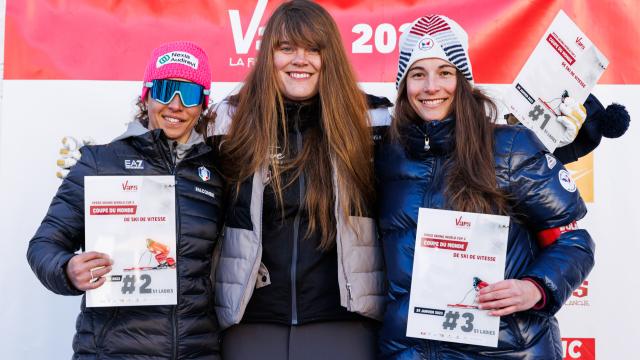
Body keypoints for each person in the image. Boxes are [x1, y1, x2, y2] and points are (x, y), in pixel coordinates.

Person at [375, 15, 595, 359]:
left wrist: (534, 288)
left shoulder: (510, 147)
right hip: (410, 351)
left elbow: (573, 242)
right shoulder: (386, 157)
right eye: (418, 74)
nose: (431, 86)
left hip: (506, 350)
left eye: (445, 72)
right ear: (404, 86)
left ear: (463, 81)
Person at [27, 41, 225, 359]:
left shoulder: (216, 172)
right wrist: (67, 270)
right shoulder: (99, 162)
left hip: (196, 350)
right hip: (112, 351)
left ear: (202, 105)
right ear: (146, 95)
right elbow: (43, 246)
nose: (175, 105)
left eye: (188, 94)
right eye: (165, 89)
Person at [211, 1, 385, 359]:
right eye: (286, 48)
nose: (299, 60)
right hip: (251, 321)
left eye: (313, 49)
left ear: (330, 56)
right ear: (268, 56)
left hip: (343, 322)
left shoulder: (373, 120)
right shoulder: (229, 120)